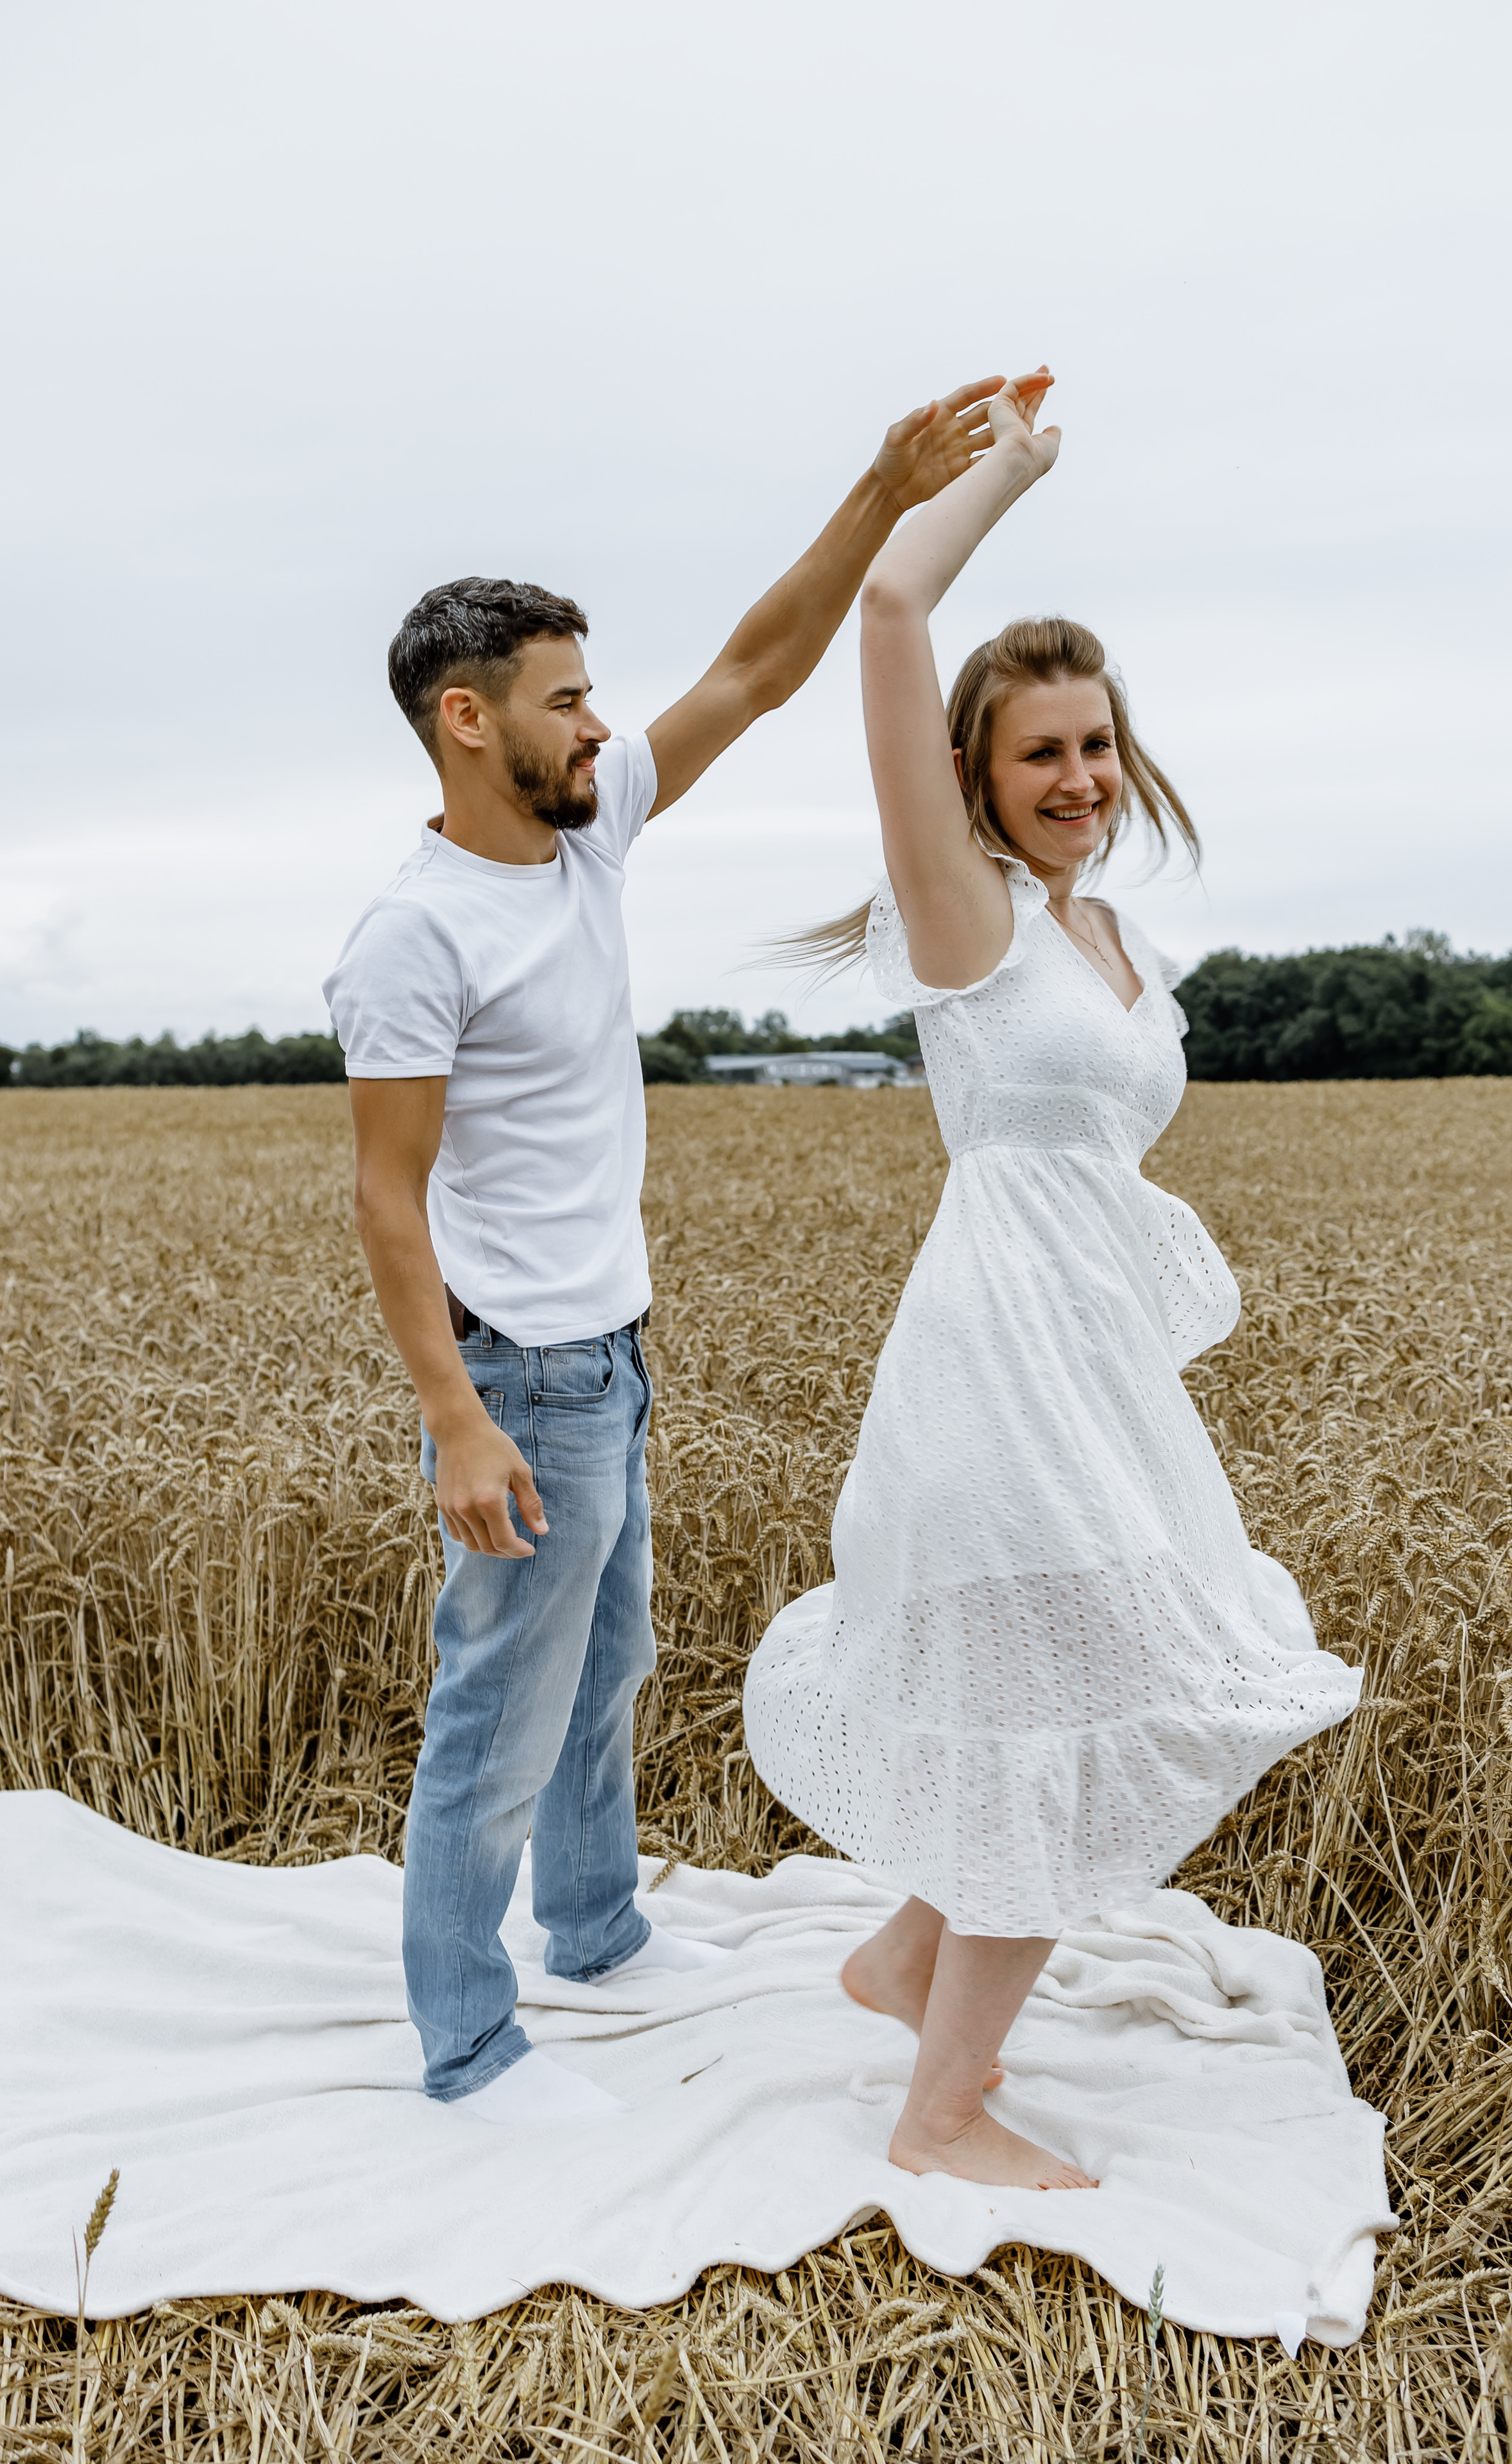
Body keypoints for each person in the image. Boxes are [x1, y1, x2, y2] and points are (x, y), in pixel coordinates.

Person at [325, 376, 1005, 2125]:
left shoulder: (589, 833)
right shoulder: (412, 938)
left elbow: (760, 668)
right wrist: (457, 1421)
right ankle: (469, 2046)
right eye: (565, 701)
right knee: (495, 1715)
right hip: (522, 1378)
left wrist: (882, 489)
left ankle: (599, 1931)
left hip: (612, 1354)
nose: (598, 725)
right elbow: (389, 1197)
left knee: (604, 1671)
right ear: (467, 719)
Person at [742, 371, 1363, 2190]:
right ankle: (941, 2113)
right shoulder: (970, 917)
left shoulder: (1106, 928)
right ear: (976, 779)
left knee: (1067, 1676)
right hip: (999, 1364)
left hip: (1091, 1362)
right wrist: (1000, 474)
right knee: (1068, 1696)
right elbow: (888, 608)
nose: (1080, 776)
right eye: (1040, 754)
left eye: (1098, 743)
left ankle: (903, 1964)